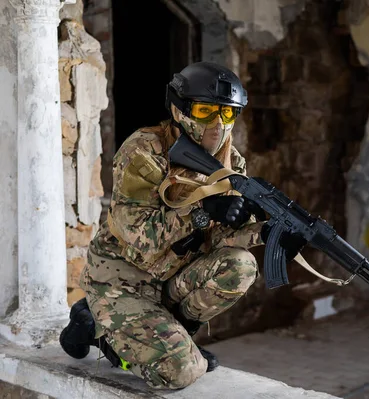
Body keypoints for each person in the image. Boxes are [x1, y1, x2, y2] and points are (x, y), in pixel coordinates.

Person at [59, 61, 305, 389]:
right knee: (182, 372)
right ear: (179, 110)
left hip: (171, 274)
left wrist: (266, 234)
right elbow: (139, 236)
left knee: (240, 268)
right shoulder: (144, 152)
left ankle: (173, 336)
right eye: (205, 111)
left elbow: (221, 237)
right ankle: (102, 332)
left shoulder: (231, 164)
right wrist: (201, 210)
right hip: (122, 279)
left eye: (228, 114)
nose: (218, 125)